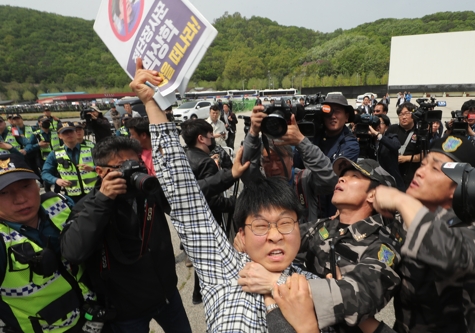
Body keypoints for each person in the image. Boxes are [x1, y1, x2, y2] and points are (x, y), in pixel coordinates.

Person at [129, 58, 317, 332]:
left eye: (285, 223)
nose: (275, 235)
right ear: (241, 234)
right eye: (261, 226)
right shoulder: (225, 267)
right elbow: (186, 200)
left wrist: (277, 285)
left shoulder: (314, 285)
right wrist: (152, 106)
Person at [238, 158, 401, 333]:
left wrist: (277, 282)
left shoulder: (383, 245)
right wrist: (250, 235)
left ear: (373, 194)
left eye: (354, 176)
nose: (341, 179)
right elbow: (281, 238)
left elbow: (362, 297)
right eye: (342, 175)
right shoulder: (324, 227)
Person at [60, 136, 192, 333]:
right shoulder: (89, 207)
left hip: (166, 296)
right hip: (126, 312)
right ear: (101, 172)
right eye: (123, 166)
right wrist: (103, 201)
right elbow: (72, 252)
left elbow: (187, 201)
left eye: (136, 164)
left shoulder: (148, 193)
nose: (132, 171)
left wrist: (229, 174)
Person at [370, 135, 475, 332]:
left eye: (435, 168)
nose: (420, 172)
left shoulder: (464, 228)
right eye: (423, 164)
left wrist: (401, 200)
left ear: (458, 186)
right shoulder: (409, 221)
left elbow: (452, 256)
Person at [0, 154, 95, 332]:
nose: (20, 199)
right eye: (4, 192)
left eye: (26, 186)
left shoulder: (59, 203)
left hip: (91, 315)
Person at [181, 118, 243, 304]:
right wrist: (235, 203)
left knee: (201, 260)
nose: (213, 139)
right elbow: (213, 200)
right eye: (210, 136)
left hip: (190, 222)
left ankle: (198, 294)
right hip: (209, 221)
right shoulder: (205, 163)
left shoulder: (184, 156)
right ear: (202, 138)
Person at [242, 107, 337, 222]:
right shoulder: (260, 182)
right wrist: (253, 133)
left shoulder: (304, 180)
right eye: (267, 161)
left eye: (279, 160)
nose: (274, 167)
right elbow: (245, 167)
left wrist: (301, 142)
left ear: (292, 159)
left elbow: (330, 179)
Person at [296, 94, 359, 217]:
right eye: (328, 112)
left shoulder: (350, 144)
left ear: (346, 117)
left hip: (331, 206)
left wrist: (302, 142)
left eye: (337, 112)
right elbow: (296, 165)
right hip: (307, 202)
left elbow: (332, 177)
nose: (332, 116)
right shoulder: (314, 135)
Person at [41, 122, 98, 203]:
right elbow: (45, 173)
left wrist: (93, 168)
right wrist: (56, 180)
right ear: (59, 136)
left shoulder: (90, 149)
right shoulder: (55, 154)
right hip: (72, 196)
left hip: (94, 193)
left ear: (75, 132)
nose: (69, 134)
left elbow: (105, 167)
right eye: (65, 133)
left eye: (71, 131)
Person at [385, 102, 420, 189]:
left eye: (406, 114)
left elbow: (425, 155)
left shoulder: (419, 133)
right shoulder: (392, 129)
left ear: (413, 115)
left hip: (411, 176)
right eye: (400, 114)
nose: (403, 117)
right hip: (392, 175)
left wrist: (406, 158)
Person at [366, 114, 405, 191]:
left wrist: (378, 135)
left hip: (391, 182)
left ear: (387, 127)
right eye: (375, 123)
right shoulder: (368, 140)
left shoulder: (391, 137)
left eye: (380, 123)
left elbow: (395, 146)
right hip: (374, 181)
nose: (377, 125)